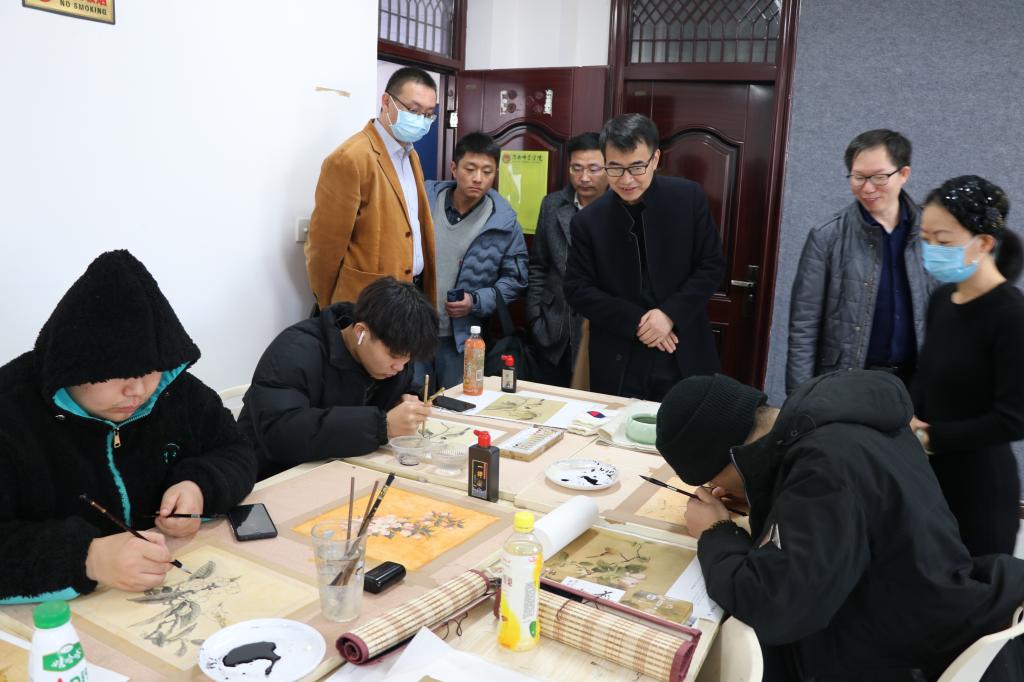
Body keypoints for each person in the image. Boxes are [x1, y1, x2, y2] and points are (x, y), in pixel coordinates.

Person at [656, 370, 1024, 680]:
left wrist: (716, 533)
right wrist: (766, 498)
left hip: (893, 650)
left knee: (722, 646)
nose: (714, 487)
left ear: (731, 458)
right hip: (922, 596)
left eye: (711, 478)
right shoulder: (833, 421)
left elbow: (776, 607)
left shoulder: (823, 469)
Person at [0, 251, 258, 601]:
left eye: (149, 371)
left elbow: (235, 449)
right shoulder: (11, 414)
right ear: (73, 365)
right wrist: (86, 557)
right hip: (45, 620)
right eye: (117, 374)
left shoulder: (175, 393)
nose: (137, 390)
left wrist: (199, 485)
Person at [563, 113, 725, 400]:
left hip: (681, 346)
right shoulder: (588, 220)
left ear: (655, 158)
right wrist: (639, 322)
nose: (627, 180)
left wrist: (669, 314)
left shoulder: (688, 198)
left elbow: (711, 265)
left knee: (688, 421)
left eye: (637, 167)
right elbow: (578, 289)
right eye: (615, 168)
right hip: (619, 353)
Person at [910, 175, 1024, 557]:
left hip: (981, 490)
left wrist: (931, 439)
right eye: (925, 240)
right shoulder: (942, 299)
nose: (931, 251)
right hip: (928, 482)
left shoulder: (1012, 316)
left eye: (943, 242)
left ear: (985, 243)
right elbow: (927, 376)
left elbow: (1013, 419)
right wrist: (905, 415)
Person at [239, 277, 439, 479]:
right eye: (394, 356)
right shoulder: (293, 353)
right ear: (361, 332)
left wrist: (405, 399)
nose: (400, 367)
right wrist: (381, 426)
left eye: (408, 359)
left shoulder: (392, 352)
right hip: (270, 477)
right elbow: (281, 435)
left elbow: (402, 386)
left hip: (340, 468)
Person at [787, 129, 936, 394]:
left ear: (903, 174)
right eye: (858, 177)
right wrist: (800, 398)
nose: (867, 188)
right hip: (847, 379)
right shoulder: (827, 235)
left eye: (879, 177)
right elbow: (804, 326)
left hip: (916, 382)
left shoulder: (932, 233)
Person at [305, 66, 439, 310]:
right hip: (367, 303)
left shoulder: (411, 156)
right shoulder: (350, 158)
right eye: (413, 110)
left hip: (411, 296)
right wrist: (331, 310)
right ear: (386, 101)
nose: (420, 120)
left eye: (428, 114)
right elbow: (324, 249)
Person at [420, 132, 528, 390]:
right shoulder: (423, 201)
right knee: (411, 400)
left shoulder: (504, 222)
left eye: (487, 171)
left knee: (456, 402)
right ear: (454, 168)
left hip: (462, 340)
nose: (478, 178)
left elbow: (516, 280)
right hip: (414, 330)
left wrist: (476, 301)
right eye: (470, 169)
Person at [527, 132, 608, 386]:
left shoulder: (620, 208)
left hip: (603, 328)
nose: (584, 177)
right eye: (577, 168)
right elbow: (539, 265)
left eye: (594, 169)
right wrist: (536, 318)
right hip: (554, 328)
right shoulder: (552, 205)